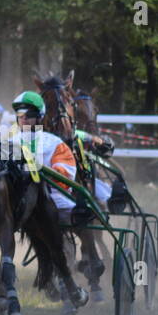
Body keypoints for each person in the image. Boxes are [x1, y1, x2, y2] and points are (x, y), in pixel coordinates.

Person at [9, 90, 110, 221]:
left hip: (54, 197)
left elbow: (64, 174)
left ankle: (97, 200)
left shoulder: (54, 141)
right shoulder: (10, 142)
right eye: (20, 114)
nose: (23, 118)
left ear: (39, 116)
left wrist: (94, 139)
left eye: (29, 114)